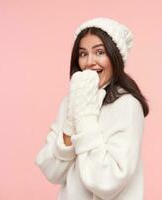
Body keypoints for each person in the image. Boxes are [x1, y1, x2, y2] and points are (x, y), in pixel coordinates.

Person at [35, 17, 149, 200]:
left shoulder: (127, 105)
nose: (89, 62)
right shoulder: (70, 103)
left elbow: (108, 181)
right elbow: (51, 171)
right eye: (82, 54)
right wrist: (72, 121)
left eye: (99, 52)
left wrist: (85, 116)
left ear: (115, 57)